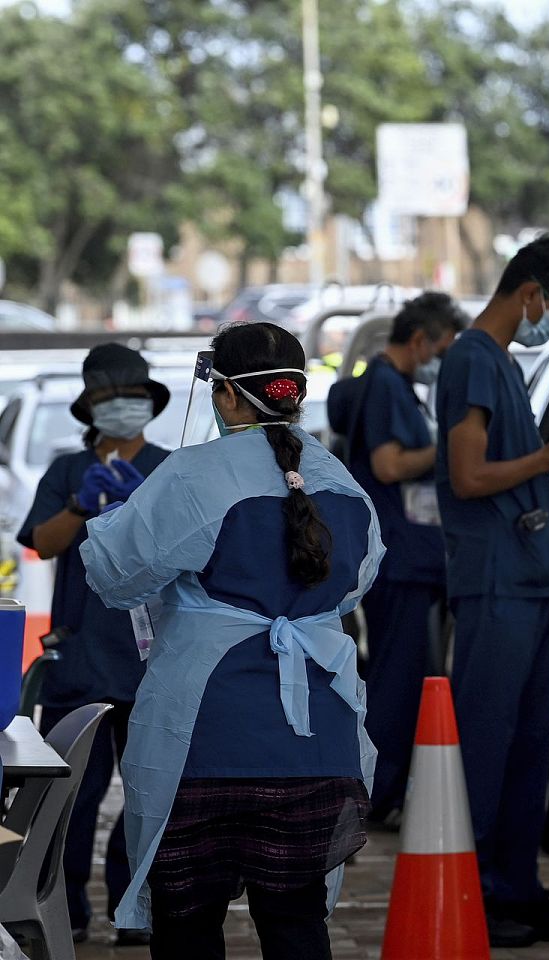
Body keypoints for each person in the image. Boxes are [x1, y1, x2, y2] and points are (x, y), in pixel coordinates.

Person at [79, 322, 383, 960]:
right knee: (297, 927)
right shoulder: (345, 485)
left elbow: (112, 577)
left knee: (188, 929)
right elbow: (354, 590)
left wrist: (112, 519)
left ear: (223, 397)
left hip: (205, 743)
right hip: (317, 745)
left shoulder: (193, 476)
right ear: (295, 394)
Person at [434, 235, 549, 948]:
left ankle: (516, 885)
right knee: (487, 743)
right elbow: (468, 476)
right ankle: (477, 894)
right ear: (531, 294)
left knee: (526, 749)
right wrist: (548, 455)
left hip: (531, 579)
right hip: (495, 585)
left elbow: (513, 468)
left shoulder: (505, 364)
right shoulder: (472, 360)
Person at [17, 343, 172, 947]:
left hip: (152, 659)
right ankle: (66, 903)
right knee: (69, 798)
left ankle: (136, 906)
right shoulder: (66, 471)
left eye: (131, 397)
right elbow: (44, 542)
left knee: (148, 792)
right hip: (80, 658)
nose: (123, 408)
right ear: (90, 408)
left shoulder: (170, 468)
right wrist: (85, 503)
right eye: (110, 399)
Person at [330, 291, 465, 827]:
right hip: (398, 556)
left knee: (406, 675)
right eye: (443, 348)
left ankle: (384, 791)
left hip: (410, 554)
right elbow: (388, 466)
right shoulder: (385, 386)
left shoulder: (397, 387)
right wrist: (454, 449)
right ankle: (374, 794)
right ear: (418, 341)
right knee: (396, 681)